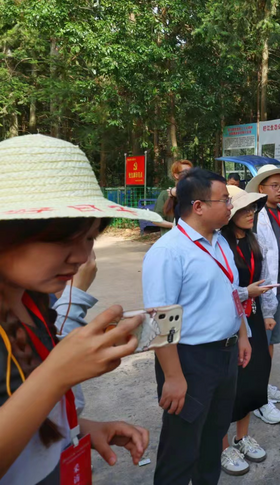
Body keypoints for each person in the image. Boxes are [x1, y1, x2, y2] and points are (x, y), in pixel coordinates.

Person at [0, 134, 155, 483]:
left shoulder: (34, 302)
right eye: (60, 239)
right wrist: (56, 374)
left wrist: (81, 428)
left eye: (89, 238)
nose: (82, 258)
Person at [142, 168, 252, 485]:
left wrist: (242, 334)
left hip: (226, 356)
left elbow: (231, 292)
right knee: (181, 448)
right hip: (190, 361)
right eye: (225, 200)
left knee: (212, 440)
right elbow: (158, 320)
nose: (231, 206)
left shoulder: (219, 242)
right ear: (199, 206)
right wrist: (174, 377)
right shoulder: (168, 252)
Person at [219, 185, 276, 476]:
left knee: (254, 377)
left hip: (252, 317)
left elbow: (263, 277)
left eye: (253, 207)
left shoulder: (254, 240)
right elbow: (220, 289)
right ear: (228, 214)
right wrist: (245, 292)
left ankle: (242, 437)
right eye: (243, 208)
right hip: (230, 320)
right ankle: (223, 445)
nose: (250, 212)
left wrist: (267, 311)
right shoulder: (220, 244)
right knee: (230, 382)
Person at [247, 164, 280, 422]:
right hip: (262, 288)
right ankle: (258, 398)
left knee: (271, 341)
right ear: (261, 188)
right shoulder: (254, 216)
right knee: (260, 343)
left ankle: (263, 386)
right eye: (275, 186)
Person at [153, 159, 194, 235]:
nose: (189, 175)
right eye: (185, 172)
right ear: (176, 175)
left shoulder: (196, 193)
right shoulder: (165, 194)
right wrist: (174, 225)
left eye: (191, 172)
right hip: (170, 237)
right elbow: (155, 219)